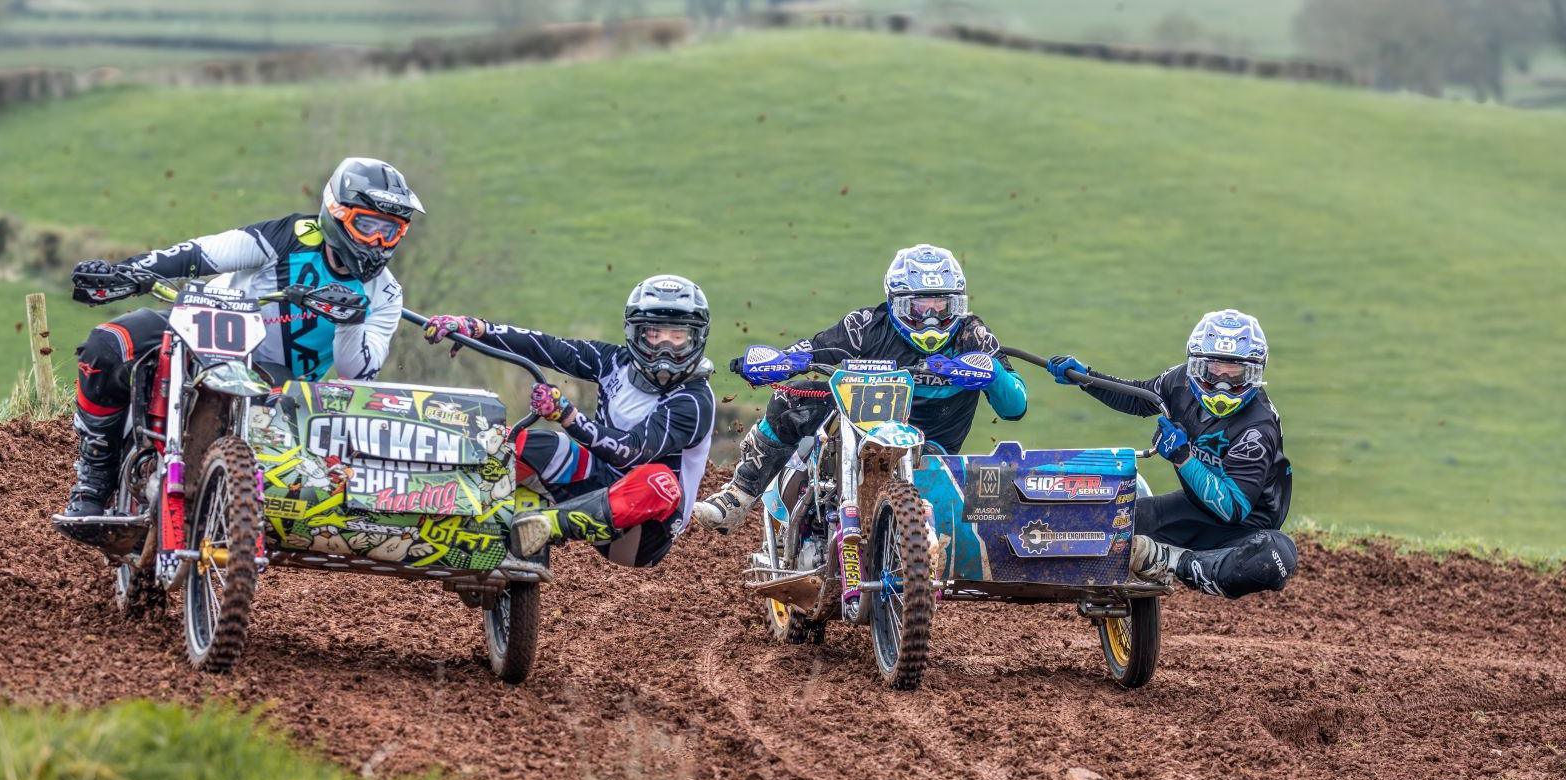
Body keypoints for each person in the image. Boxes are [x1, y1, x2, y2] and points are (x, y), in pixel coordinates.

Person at [61, 157, 423, 518]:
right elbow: (205, 253)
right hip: (206, 323)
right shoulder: (289, 237)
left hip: (278, 381)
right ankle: (95, 470)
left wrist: (351, 321)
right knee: (109, 344)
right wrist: (125, 272)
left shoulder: (386, 294)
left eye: (389, 232)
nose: (377, 243)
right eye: (368, 226)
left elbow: (355, 375)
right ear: (336, 212)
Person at [694, 243, 1027, 531]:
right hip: (862, 434)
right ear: (896, 302)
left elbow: (1015, 407)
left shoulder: (973, 336)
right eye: (919, 307)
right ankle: (740, 494)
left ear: (957, 304)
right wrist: (778, 361)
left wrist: (993, 373)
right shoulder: (866, 326)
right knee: (792, 399)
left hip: (933, 453)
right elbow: (812, 350)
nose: (931, 319)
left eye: (941, 306)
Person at [422, 275, 715, 567]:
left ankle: (546, 525)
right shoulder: (614, 362)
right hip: (598, 483)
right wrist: (477, 329)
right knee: (518, 442)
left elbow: (632, 451)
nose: (666, 349)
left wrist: (567, 415)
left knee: (659, 480)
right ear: (636, 334)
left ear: (696, 338)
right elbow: (548, 347)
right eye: (654, 334)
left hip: (642, 533)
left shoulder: (694, 401)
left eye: (677, 337)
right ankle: (441, 505)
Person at [1044, 309, 1297, 598]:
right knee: (1110, 524)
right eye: (1213, 370)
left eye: (1235, 373)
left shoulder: (1258, 428)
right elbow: (1140, 398)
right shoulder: (1179, 381)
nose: (1222, 384)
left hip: (1246, 528)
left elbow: (1232, 509)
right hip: (1193, 510)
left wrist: (1183, 458)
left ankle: (1171, 560)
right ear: (1196, 366)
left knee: (1276, 559)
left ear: (1255, 373)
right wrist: (1086, 378)